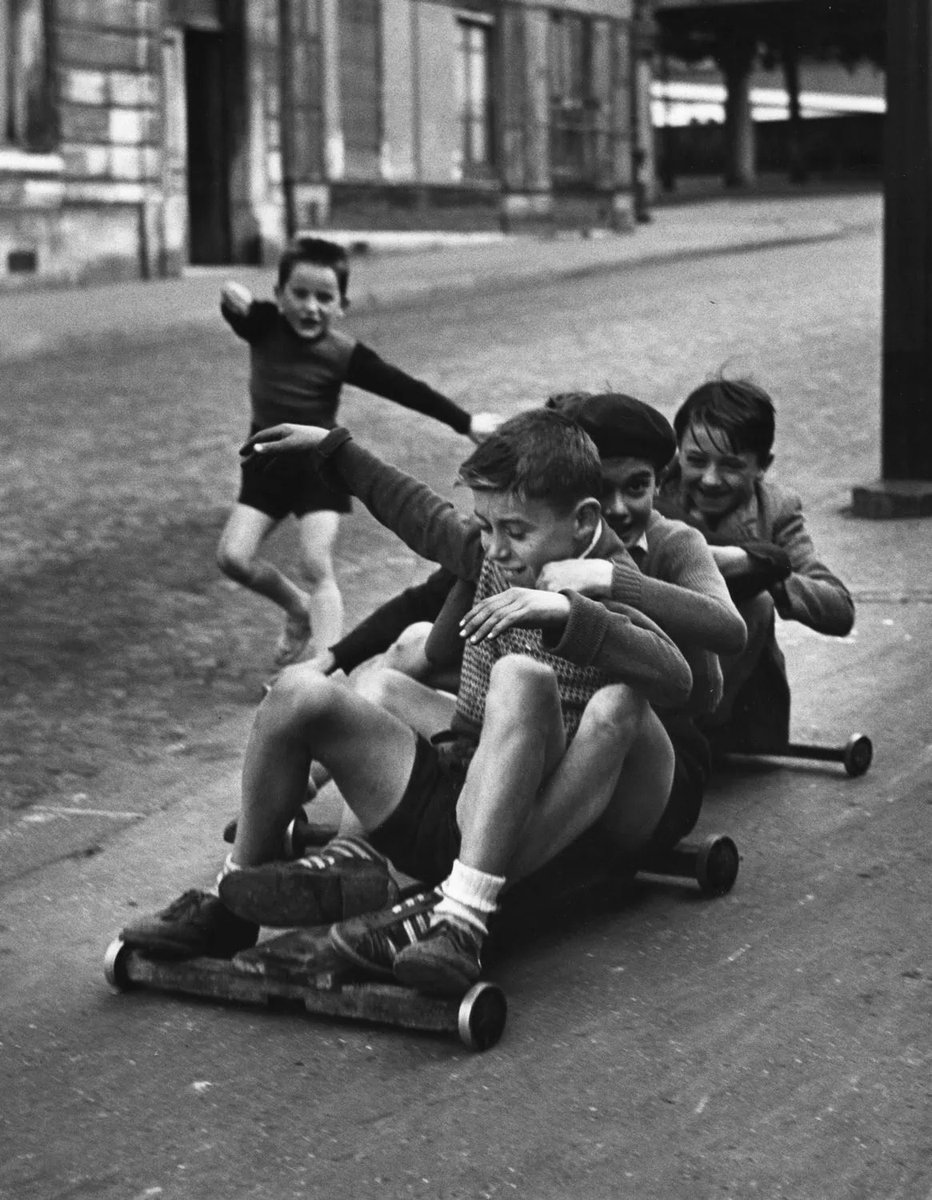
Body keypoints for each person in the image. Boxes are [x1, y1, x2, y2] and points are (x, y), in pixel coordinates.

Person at [121, 410, 692, 995]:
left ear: (583, 521)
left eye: (516, 532)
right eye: (487, 527)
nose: (495, 549)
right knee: (298, 692)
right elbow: (418, 513)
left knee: (521, 676)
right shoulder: (492, 549)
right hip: (452, 787)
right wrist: (336, 451)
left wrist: (571, 613)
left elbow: (676, 676)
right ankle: (230, 903)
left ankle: (461, 923)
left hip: (530, 818)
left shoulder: (608, 578)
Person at [216, 235, 498, 668]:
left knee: (316, 564)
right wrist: (231, 302)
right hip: (265, 463)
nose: (312, 307)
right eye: (300, 294)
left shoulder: (342, 353)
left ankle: (322, 672)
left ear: (341, 305)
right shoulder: (264, 324)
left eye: (325, 298)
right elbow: (240, 313)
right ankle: (297, 609)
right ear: (278, 296)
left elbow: (404, 387)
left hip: (319, 465)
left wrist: (465, 422)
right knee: (232, 558)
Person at [656, 376, 855, 753]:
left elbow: (839, 609)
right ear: (677, 451)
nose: (711, 480)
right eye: (696, 461)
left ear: (763, 466)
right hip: (658, 660)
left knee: (755, 602)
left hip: (730, 699)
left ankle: (690, 733)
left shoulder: (776, 509)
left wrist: (761, 572)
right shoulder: (648, 489)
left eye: (731, 466)